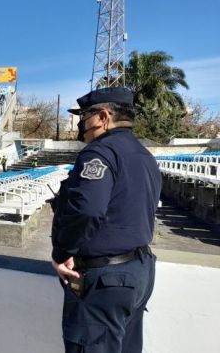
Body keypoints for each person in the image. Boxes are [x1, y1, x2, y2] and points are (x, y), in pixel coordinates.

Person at [50, 87, 162, 353]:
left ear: (102, 117)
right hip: (138, 270)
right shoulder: (144, 155)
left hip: (105, 279)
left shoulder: (100, 152)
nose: (81, 124)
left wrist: (62, 252)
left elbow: (86, 210)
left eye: (84, 116)